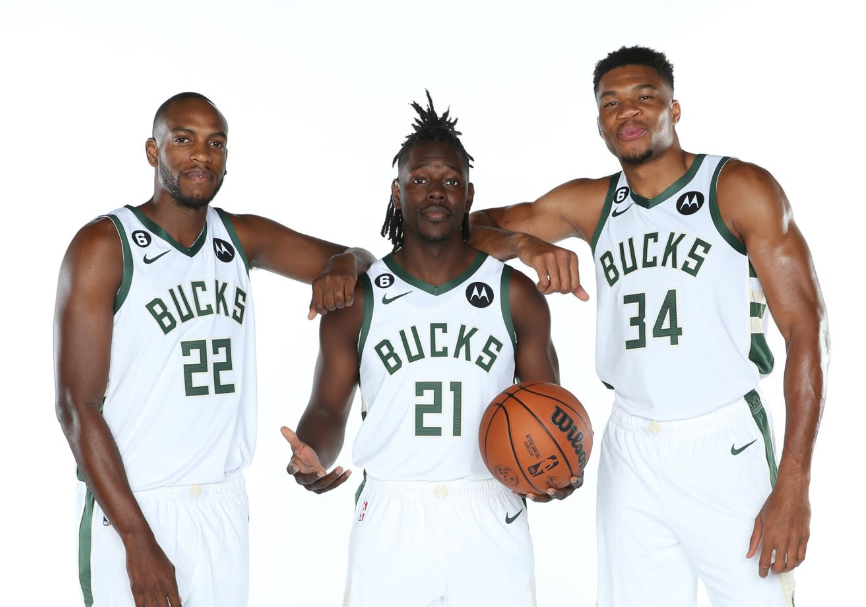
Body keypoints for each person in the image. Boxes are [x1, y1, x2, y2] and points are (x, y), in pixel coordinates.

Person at [469, 46, 828, 607]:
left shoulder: (738, 188)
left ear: (674, 109)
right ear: (600, 124)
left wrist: (795, 481)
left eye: (644, 97)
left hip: (725, 441)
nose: (627, 112)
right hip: (630, 444)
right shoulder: (592, 202)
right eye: (611, 103)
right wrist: (523, 244)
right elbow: (469, 229)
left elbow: (808, 331)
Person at [54, 92, 375, 607]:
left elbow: (363, 262)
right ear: (153, 151)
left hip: (222, 504)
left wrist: (345, 263)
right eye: (184, 139)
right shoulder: (105, 245)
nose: (202, 155)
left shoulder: (240, 236)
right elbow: (76, 406)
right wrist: (137, 539)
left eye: (216, 143)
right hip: (134, 504)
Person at [281, 92, 575, 607]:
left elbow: (550, 409)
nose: (436, 191)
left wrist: (560, 467)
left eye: (451, 181)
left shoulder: (515, 294)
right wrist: (312, 455)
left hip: (490, 505)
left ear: (469, 194)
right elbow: (327, 410)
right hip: (391, 511)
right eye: (419, 180)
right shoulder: (358, 299)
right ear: (396, 193)